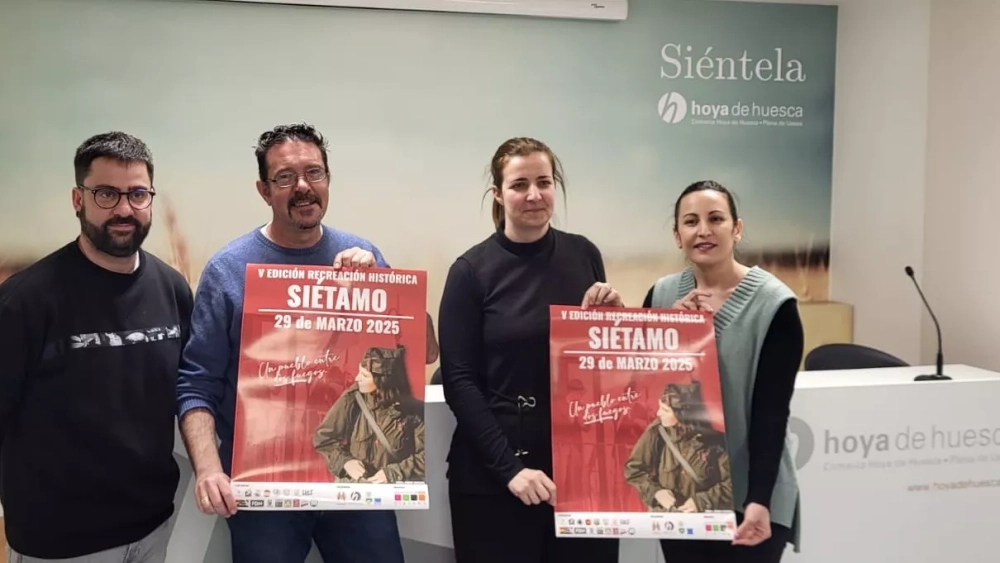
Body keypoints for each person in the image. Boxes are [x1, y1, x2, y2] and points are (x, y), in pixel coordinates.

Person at [175, 123, 405, 563]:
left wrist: (384, 287)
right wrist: (207, 469)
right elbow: (196, 383)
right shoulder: (227, 270)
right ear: (264, 190)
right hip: (264, 485)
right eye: (285, 177)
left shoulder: (365, 255)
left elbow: (421, 352)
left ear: (327, 179)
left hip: (356, 478)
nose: (303, 186)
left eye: (313, 172)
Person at [0, 132, 193, 562]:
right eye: (106, 194)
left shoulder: (173, 289)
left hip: (153, 529)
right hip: (60, 543)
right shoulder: (25, 301)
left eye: (137, 194)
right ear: (78, 199)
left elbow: (190, 388)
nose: (124, 209)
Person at [438, 136, 624, 563]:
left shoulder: (584, 254)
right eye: (520, 185)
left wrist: (611, 321)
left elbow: (597, 369)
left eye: (544, 182)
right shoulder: (469, 272)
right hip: (493, 480)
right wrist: (510, 470)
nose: (534, 195)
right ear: (498, 194)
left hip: (580, 477)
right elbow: (459, 382)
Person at [642, 180, 804, 563]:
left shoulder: (775, 305)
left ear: (737, 228)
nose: (703, 230)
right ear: (677, 235)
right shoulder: (661, 296)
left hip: (752, 497)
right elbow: (644, 396)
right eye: (691, 222)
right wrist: (669, 332)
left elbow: (771, 414)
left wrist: (759, 500)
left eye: (716, 219)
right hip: (683, 496)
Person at [313, 345, 425, 484]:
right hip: (356, 488)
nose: (357, 378)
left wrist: (394, 472)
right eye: (359, 372)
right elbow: (323, 439)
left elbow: (427, 456)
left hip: (392, 490)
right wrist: (345, 462)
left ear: (382, 381)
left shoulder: (413, 411)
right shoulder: (352, 400)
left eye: (365, 375)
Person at [623, 381, 732, 513]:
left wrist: (702, 501)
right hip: (665, 516)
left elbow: (732, 484)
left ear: (682, 414)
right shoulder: (657, 432)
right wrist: (656, 492)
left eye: (665, 410)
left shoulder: (714, 441)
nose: (658, 414)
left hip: (700, 517)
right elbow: (633, 470)